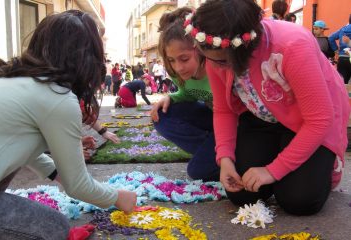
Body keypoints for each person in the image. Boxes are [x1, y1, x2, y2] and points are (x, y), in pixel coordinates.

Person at [0, 10, 136, 239]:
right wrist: (117, 197)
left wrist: (56, 173)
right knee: (55, 228)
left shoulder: (11, 81)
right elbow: (78, 187)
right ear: (87, 57)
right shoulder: (57, 97)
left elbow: (20, 146)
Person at [187, 0, 350, 215]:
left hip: (306, 121)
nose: (214, 67)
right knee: (242, 195)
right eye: (209, 59)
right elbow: (223, 110)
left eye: (222, 62)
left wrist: (273, 171)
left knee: (299, 200)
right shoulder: (217, 51)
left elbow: (319, 120)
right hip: (262, 116)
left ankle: (305, 167)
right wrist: (225, 158)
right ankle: (282, 158)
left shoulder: (292, 46)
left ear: (244, 51)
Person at [150, 7, 220, 182]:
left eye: (184, 59)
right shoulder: (177, 72)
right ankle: (213, 148)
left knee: (197, 172)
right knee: (161, 114)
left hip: (235, 124)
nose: (178, 68)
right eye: (172, 60)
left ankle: (226, 151)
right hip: (214, 121)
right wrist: (170, 97)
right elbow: (188, 94)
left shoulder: (217, 67)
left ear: (200, 49)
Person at [329, 14, 351, 83]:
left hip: (342, 58)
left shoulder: (342, 29)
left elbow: (331, 38)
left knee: (342, 83)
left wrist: (336, 50)